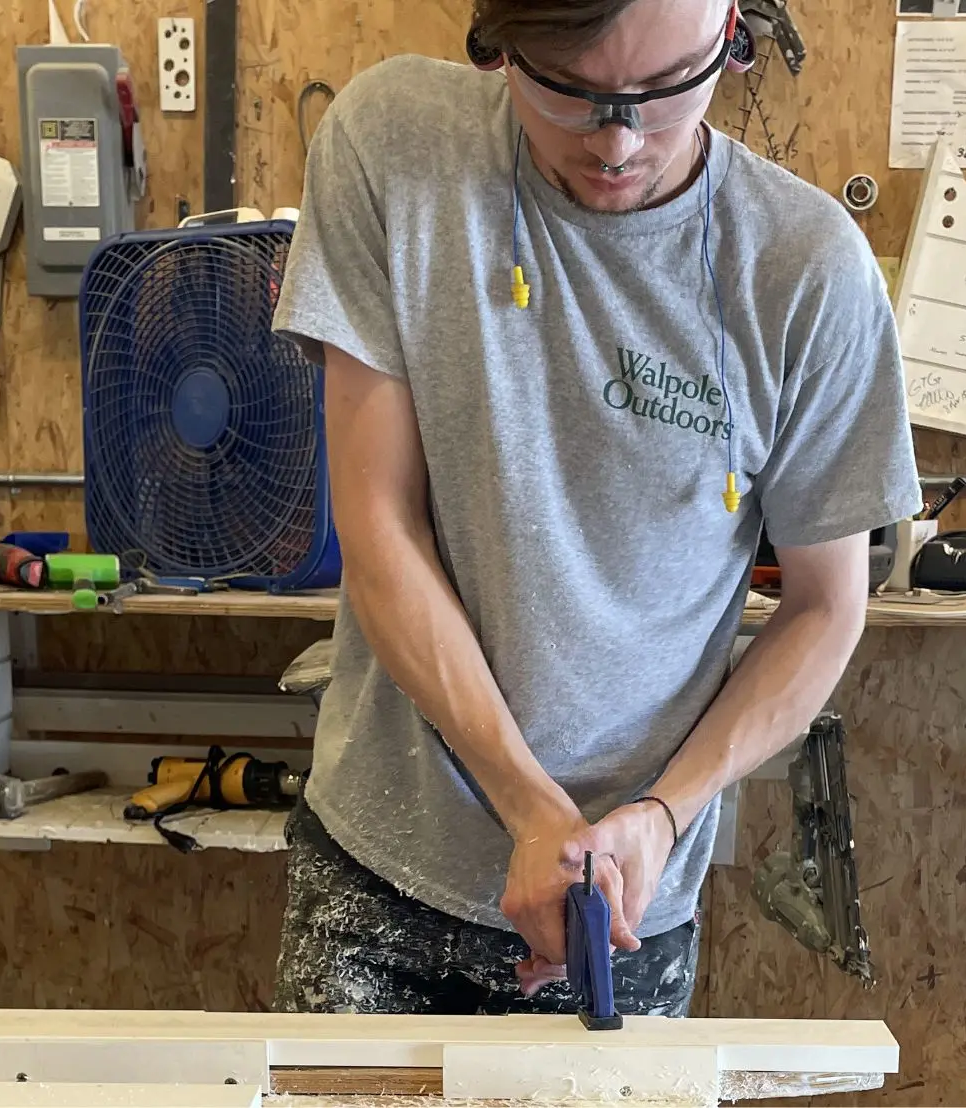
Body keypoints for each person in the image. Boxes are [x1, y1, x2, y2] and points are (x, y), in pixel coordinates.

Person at [269, 0, 920, 1017]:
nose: (618, 142)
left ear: (732, 34)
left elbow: (826, 605)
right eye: (567, 92)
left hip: (624, 902)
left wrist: (663, 814)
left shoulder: (807, 271)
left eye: (664, 93)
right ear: (501, 43)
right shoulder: (393, 148)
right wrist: (529, 807)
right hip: (380, 874)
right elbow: (379, 522)